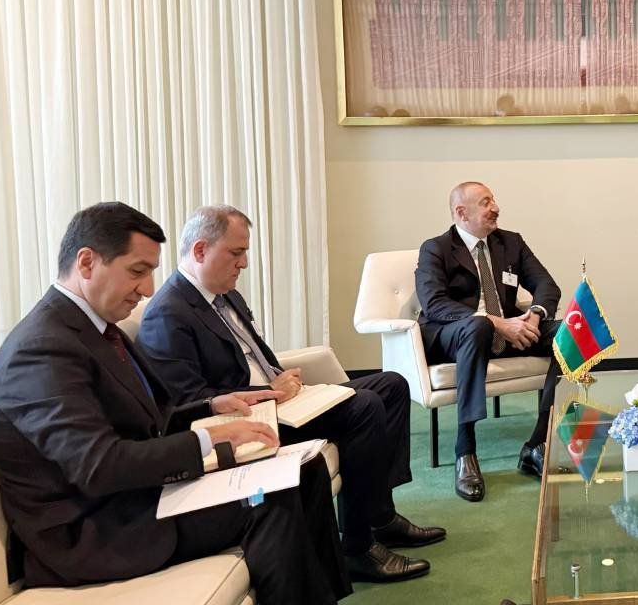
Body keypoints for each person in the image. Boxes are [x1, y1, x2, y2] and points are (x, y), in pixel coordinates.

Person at [0, 202, 351, 605]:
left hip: (134, 497)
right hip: (93, 530)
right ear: (87, 262)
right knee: (269, 498)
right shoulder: (41, 349)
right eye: (137, 271)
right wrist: (208, 440)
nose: (147, 289)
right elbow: (97, 466)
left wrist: (210, 408)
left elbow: (147, 421)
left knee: (303, 469)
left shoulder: (93, 328)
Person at [137, 205, 441, 583]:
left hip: (283, 401)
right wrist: (267, 391)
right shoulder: (168, 313)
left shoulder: (224, 295)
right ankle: (357, 548)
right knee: (364, 406)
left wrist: (280, 376)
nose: (244, 263)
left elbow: (253, 355)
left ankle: (380, 516)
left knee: (391, 384)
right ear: (200, 250)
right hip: (251, 422)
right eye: (236, 253)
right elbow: (191, 402)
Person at [415, 181, 563, 501]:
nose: (495, 207)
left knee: (572, 334)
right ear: (461, 212)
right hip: (453, 336)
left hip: (508, 331)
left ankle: (537, 443)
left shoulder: (510, 242)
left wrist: (534, 317)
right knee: (478, 326)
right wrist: (497, 322)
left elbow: (547, 286)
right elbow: (434, 304)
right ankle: (465, 451)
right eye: (485, 202)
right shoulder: (436, 248)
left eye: (493, 200)